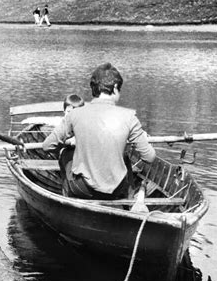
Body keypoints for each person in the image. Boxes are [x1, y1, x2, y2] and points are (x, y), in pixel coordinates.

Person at [42, 63, 156, 200]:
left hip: (82, 189)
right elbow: (149, 157)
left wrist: (70, 145)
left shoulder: (74, 114)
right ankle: (129, 201)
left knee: (65, 154)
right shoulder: (130, 117)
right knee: (125, 158)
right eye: (120, 90)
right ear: (115, 88)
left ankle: (68, 200)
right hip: (117, 190)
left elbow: (47, 146)